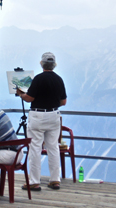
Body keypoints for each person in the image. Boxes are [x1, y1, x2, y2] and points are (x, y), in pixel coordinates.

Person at [16, 52, 67, 191]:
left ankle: (34, 181)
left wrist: (21, 94)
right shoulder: (59, 80)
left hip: (38, 115)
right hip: (54, 115)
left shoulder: (38, 79)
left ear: (41, 64)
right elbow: (63, 101)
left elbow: (29, 98)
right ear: (54, 65)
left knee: (35, 148)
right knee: (53, 147)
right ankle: (55, 180)